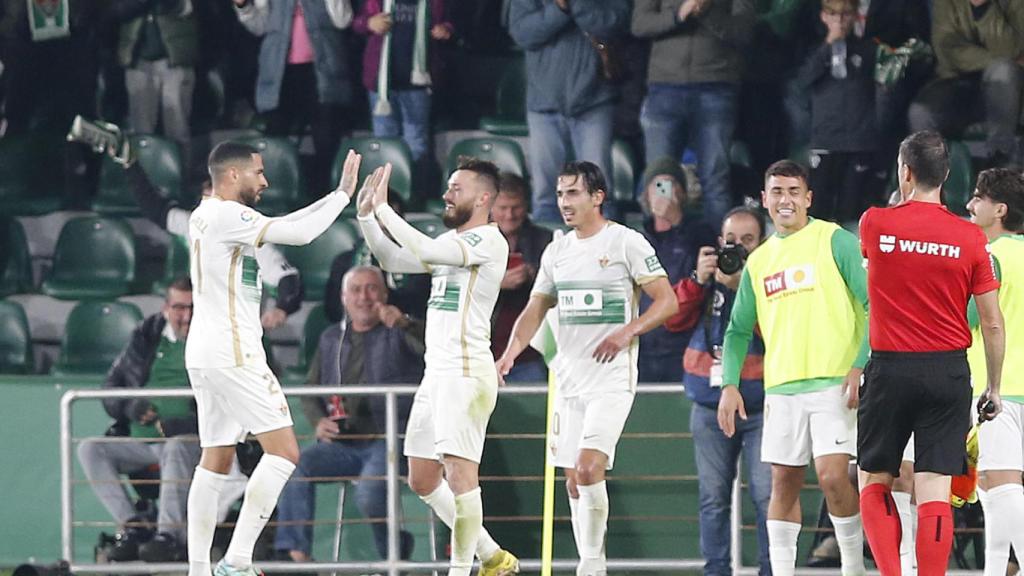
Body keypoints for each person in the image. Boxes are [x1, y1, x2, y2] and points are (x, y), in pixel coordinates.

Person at [184, 142, 363, 576]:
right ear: (231, 176)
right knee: (283, 452)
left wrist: (336, 193)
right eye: (258, 173)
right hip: (234, 351)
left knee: (216, 456)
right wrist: (342, 196)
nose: (265, 181)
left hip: (205, 352)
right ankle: (237, 561)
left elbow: (285, 223)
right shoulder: (226, 215)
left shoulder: (205, 215)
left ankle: (197, 569)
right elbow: (299, 234)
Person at [496, 161, 679, 576]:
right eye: (560, 194)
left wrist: (626, 332)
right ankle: (589, 561)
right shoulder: (556, 251)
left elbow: (668, 302)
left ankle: (592, 566)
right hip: (568, 381)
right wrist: (509, 353)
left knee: (588, 466)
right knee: (574, 481)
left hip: (611, 379)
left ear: (598, 197)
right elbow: (534, 308)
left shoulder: (626, 243)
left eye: (574, 193)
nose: (565, 202)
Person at [356, 158, 520, 576]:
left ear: (483, 198)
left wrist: (385, 208)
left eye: (456, 189)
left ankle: (462, 570)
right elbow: (394, 262)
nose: (447, 195)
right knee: (423, 479)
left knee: (462, 475)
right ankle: (494, 557)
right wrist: (367, 219)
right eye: (447, 188)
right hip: (438, 374)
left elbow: (425, 249)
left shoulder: (489, 241)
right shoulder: (454, 241)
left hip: (466, 372)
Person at [857, 131, 1005, 576]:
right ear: (947, 177)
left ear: (905, 171)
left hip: (890, 369)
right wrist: (993, 387)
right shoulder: (970, 238)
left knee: (875, 481)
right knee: (935, 491)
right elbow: (993, 322)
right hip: (948, 372)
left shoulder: (874, 223)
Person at [718, 159, 868, 576]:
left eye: (794, 192)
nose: (786, 200)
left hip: (834, 383)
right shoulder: (760, 261)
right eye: (777, 192)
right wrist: (729, 384)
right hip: (782, 388)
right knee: (782, 482)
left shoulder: (835, 240)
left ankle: (852, 567)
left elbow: (877, 306)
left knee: (834, 476)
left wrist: (860, 365)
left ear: (808, 198)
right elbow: (736, 331)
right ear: (765, 200)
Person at [274, 265, 424, 562]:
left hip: (392, 440)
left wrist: (405, 323)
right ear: (344, 298)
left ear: (384, 295)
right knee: (293, 465)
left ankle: (394, 556)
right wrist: (319, 421)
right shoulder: (331, 338)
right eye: (356, 290)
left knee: (369, 493)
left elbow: (435, 350)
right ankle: (297, 556)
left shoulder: (400, 330)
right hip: (345, 444)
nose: (364, 297)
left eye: (371, 289)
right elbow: (310, 389)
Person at [664, 206, 771, 576]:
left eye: (747, 241)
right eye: (730, 241)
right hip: (709, 409)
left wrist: (745, 290)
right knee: (712, 500)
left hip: (760, 408)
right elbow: (672, 319)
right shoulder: (703, 281)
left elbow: (778, 336)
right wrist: (697, 279)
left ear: (761, 246)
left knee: (766, 498)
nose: (737, 249)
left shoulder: (771, 281)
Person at [78, 277, 204, 561]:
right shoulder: (146, 335)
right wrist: (131, 408)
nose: (186, 316)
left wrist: (183, 425)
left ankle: (168, 536)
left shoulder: (217, 342)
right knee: (89, 448)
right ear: (165, 308)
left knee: (175, 445)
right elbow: (110, 389)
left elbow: (229, 402)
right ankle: (134, 526)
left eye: (193, 308)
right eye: (179, 308)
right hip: (141, 441)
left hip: (194, 443)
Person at [631, 0, 755, 226]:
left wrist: (706, 13)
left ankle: (718, 256)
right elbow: (640, 24)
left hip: (716, 88)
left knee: (715, 179)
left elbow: (744, 31)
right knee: (660, 178)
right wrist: (679, 14)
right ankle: (659, 250)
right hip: (664, 89)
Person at [507, 0, 631, 224]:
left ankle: (604, 255)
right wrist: (559, 10)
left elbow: (616, 23)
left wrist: (574, 4)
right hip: (544, 104)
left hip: (594, 100)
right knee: (546, 197)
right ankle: (545, 255)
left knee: (597, 194)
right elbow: (523, 33)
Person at [965, 168, 1024, 576]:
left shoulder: (990, 258)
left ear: (998, 209)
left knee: (1002, 484)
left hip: (998, 389)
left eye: (978, 198)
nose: (970, 205)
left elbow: (965, 319)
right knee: (990, 484)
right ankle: (995, 570)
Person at [232, 0, 355, 190]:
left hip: (322, 73)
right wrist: (244, 6)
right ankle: (276, 191)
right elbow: (259, 26)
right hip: (281, 76)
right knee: (277, 137)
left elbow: (343, 20)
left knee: (326, 139)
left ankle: (329, 196)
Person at [908, 0, 1024, 168]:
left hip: (1006, 87)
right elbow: (947, 49)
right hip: (955, 80)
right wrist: (998, 60)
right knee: (920, 113)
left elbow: (1012, 48)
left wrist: (983, 9)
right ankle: (932, 179)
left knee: (1003, 72)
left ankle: (1000, 158)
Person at [352, 0, 453, 192]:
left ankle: (412, 193)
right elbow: (357, 23)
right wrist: (369, 23)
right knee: (384, 140)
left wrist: (445, 29)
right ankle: (385, 193)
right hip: (381, 84)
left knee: (416, 143)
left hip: (418, 83)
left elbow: (451, 23)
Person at [798, 0, 880, 224]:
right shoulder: (812, 47)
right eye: (833, 14)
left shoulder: (868, 48)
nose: (839, 20)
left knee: (852, 213)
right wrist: (828, 45)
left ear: (854, 16)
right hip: (825, 139)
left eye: (845, 14)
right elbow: (802, 80)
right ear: (823, 15)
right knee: (817, 211)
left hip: (858, 142)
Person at [637, 156, 716, 382]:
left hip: (684, 345)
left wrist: (676, 221)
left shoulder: (700, 232)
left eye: (670, 185)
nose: (664, 193)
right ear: (646, 195)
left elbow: (705, 273)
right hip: (645, 347)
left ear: (682, 193)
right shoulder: (637, 240)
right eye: (657, 186)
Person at [109, 0, 198, 161]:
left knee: (178, 128)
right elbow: (116, 10)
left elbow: (185, 7)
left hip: (175, 58)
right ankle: (143, 179)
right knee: (142, 132)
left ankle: (181, 178)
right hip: (138, 60)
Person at [490, 172, 552, 383]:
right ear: (490, 206)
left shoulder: (545, 240)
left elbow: (557, 287)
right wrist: (496, 284)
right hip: (485, 352)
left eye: (515, 207)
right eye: (503, 208)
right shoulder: (475, 242)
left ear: (526, 206)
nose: (509, 215)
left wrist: (533, 275)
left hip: (531, 353)